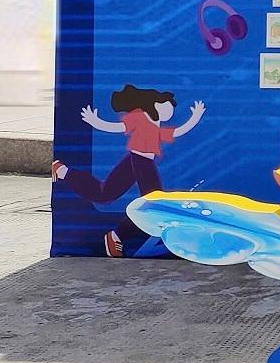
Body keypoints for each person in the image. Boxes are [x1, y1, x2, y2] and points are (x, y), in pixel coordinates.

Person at [52, 84, 204, 256]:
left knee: (105, 194)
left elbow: (177, 131)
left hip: (137, 161)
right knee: (152, 204)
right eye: (167, 106)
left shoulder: (156, 127)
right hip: (141, 162)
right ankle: (117, 236)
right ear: (155, 104)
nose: (170, 111)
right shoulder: (139, 117)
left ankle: (63, 171)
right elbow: (119, 127)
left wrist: (195, 117)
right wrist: (96, 122)